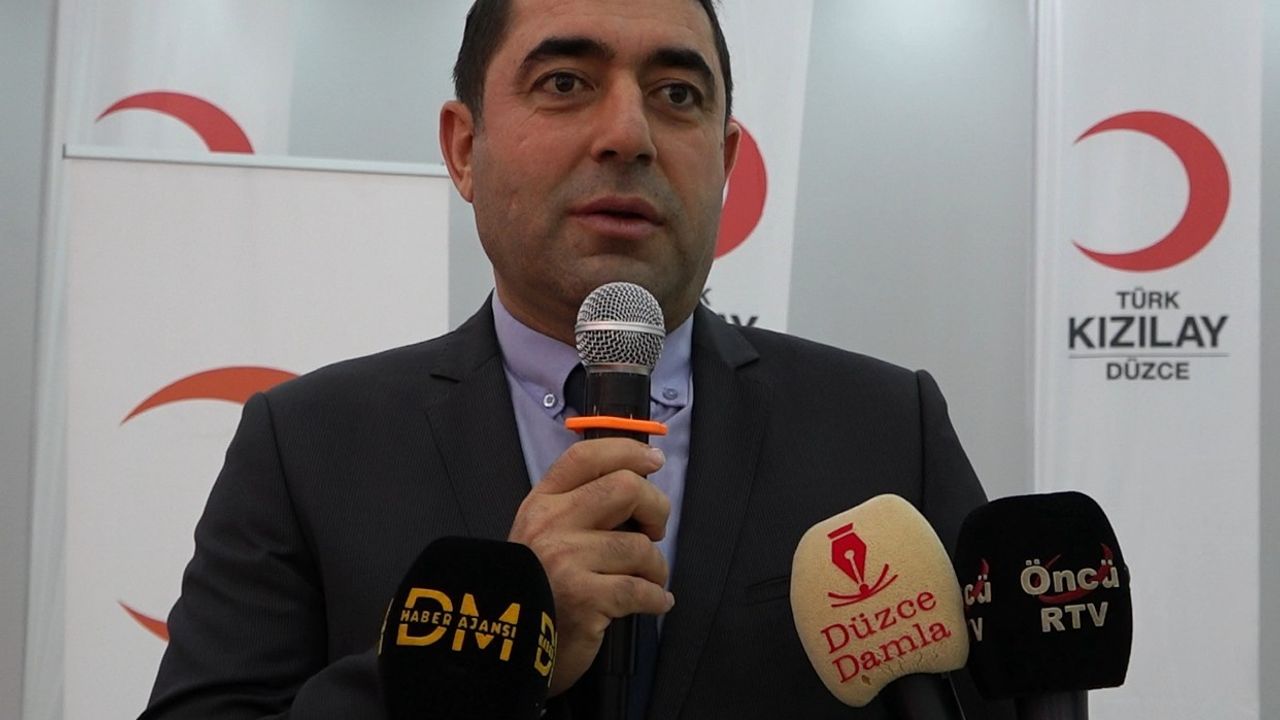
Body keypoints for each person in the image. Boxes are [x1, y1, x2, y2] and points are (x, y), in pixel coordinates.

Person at [142, 0, 1013, 718]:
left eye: (677, 94)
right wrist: (483, 657)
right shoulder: (309, 446)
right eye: (565, 83)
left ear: (725, 161)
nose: (628, 134)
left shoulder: (885, 430)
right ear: (464, 148)